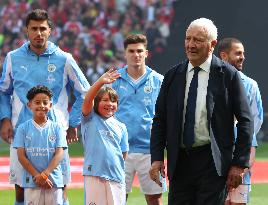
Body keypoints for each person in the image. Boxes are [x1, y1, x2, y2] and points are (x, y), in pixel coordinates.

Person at [149, 18, 253, 205]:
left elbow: (246, 120)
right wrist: (156, 158)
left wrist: (239, 164)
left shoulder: (228, 75)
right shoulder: (173, 75)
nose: (190, 45)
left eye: (197, 40)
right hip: (179, 163)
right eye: (188, 39)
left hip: (212, 163)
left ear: (212, 44)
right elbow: (160, 119)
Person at [0, 9, 90, 205]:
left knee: (59, 190)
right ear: (27, 30)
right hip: (21, 133)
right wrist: (5, 118)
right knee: (21, 193)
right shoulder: (13, 58)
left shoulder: (64, 58)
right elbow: (3, 92)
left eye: (42, 28)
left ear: (50, 31)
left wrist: (74, 122)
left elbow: (85, 92)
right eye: (34, 29)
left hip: (55, 134)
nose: (38, 33)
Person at [111, 34, 165, 205]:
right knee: (118, 198)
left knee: (154, 199)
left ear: (146, 53)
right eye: (131, 51)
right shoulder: (113, 80)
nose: (136, 55)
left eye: (140, 51)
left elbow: (165, 115)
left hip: (149, 149)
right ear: (125, 53)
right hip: (119, 150)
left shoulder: (158, 81)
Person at [218, 37, 263, 205]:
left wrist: (243, 156)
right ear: (223, 55)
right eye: (238, 53)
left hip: (240, 156)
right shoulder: (210, 83)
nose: (242, 57)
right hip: (214, 160)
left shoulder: (251, 85)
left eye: (243, 53)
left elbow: (254, 124)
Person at [13, 85, 68, 205]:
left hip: (53, 181)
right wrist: (37, 176)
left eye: (45, 102)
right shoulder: (22, 128)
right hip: (32, 181)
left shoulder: (57, 128)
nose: (41, 106)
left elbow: (59, 154)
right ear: (29, 105)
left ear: (51, 105)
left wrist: (45, 174)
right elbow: (21, 156)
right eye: (37, 102)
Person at [81, 68, 129, 205]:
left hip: (116, 177)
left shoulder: (121, 127)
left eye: (113, 101)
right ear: (96, 103)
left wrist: (116, 168)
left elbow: (124, 152)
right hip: (94, 174)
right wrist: (101, 82)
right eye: (105, 100)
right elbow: (88, 98)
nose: (109, 104)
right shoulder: (89, 119)